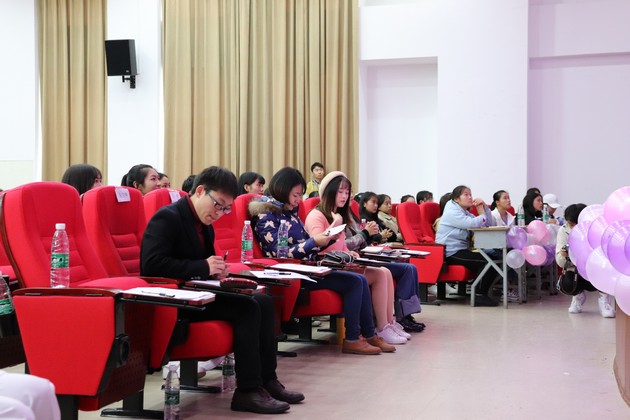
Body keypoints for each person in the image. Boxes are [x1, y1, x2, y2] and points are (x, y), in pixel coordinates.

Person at [141, 166, 304, 414]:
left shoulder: (203, 222)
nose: (219, 213)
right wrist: (203, 267)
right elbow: (151, 265)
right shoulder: (168, 218)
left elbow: (202, 263)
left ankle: (267, 380)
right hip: (176, 300)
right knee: (247, 309)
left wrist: (216, 270)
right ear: (200, 191)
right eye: (218, 204)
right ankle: (247, 390)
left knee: (263, 300)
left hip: (198, 291)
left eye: (226, 208)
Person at [250, 167, 400, 350]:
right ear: (282, 190)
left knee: (359, 280)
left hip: (308, 267)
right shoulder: (266, 214)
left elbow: (307, 244)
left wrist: (327, 239)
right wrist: (316, 241)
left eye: (300, 195)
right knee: (355, 281)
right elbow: (278, 252)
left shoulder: (291, 212)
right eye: (296, 195)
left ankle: (369, 335)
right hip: (292, 272)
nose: (299, 200)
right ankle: (353, 339)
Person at [306, 171, 425, 334]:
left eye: (347, 192)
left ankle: (388, 324)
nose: (345, 196)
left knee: (384, 273)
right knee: (378, 274)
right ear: (329, 192)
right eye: (340, 192)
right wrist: (341, 226)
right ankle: (376, 329)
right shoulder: (317, 216)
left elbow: (342, 246)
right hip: (326, 268)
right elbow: (318, 245)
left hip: (343, 263)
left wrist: (350, 252)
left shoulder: (340, 214)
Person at [435, 185, 498, 306]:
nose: (470, 197)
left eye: (470, 194)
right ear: (456, 199)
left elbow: (487, 223)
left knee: (494, 258)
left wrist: (484, 207)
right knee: (488, 262)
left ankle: (480, 293)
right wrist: (482, 215)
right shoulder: (452, 212)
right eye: (466, 194)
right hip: (451, 252)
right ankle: (479, 295)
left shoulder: (463, 212)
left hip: (461, 250)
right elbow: (471, 223)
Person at [555, 204, 615, 317]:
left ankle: (604, 300)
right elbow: (560, 262)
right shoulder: (563, 230)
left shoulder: (597, 229)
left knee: (604, 272)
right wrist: (564, 255)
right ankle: (577, 296)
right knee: (568, 284)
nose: (573, 227)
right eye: (570, 224)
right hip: (574, 269)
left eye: (575, 224)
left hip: (595, 268)